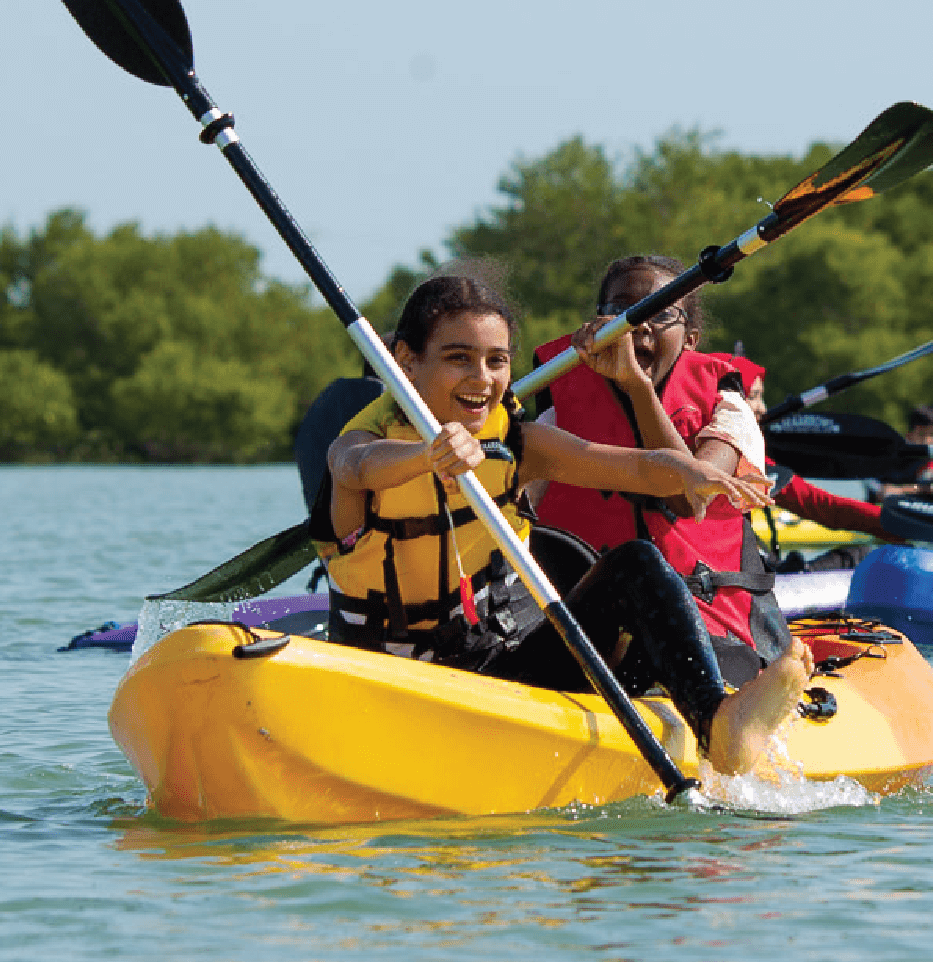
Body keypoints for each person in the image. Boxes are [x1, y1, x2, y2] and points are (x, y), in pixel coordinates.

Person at [318, 272, 811, 776]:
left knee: (637, 563)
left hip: (497, 675)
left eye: (497, 360)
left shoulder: (522, 446)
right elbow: (356, 467)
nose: (482, 378)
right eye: (457, 357)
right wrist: (430, 455)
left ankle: (715, 722)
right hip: (382, 677)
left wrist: (692, 471)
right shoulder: (358, 448)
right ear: (404, 360)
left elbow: (633, 466)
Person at [530, 257, 785, 678]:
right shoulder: (558, 404)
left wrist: (637, 388)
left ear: (690, 338)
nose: (638, 324)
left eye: (660, 312)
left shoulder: (728, 406)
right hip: (589, 618)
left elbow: (687, 498)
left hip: (705, 624)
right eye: (621, 309)